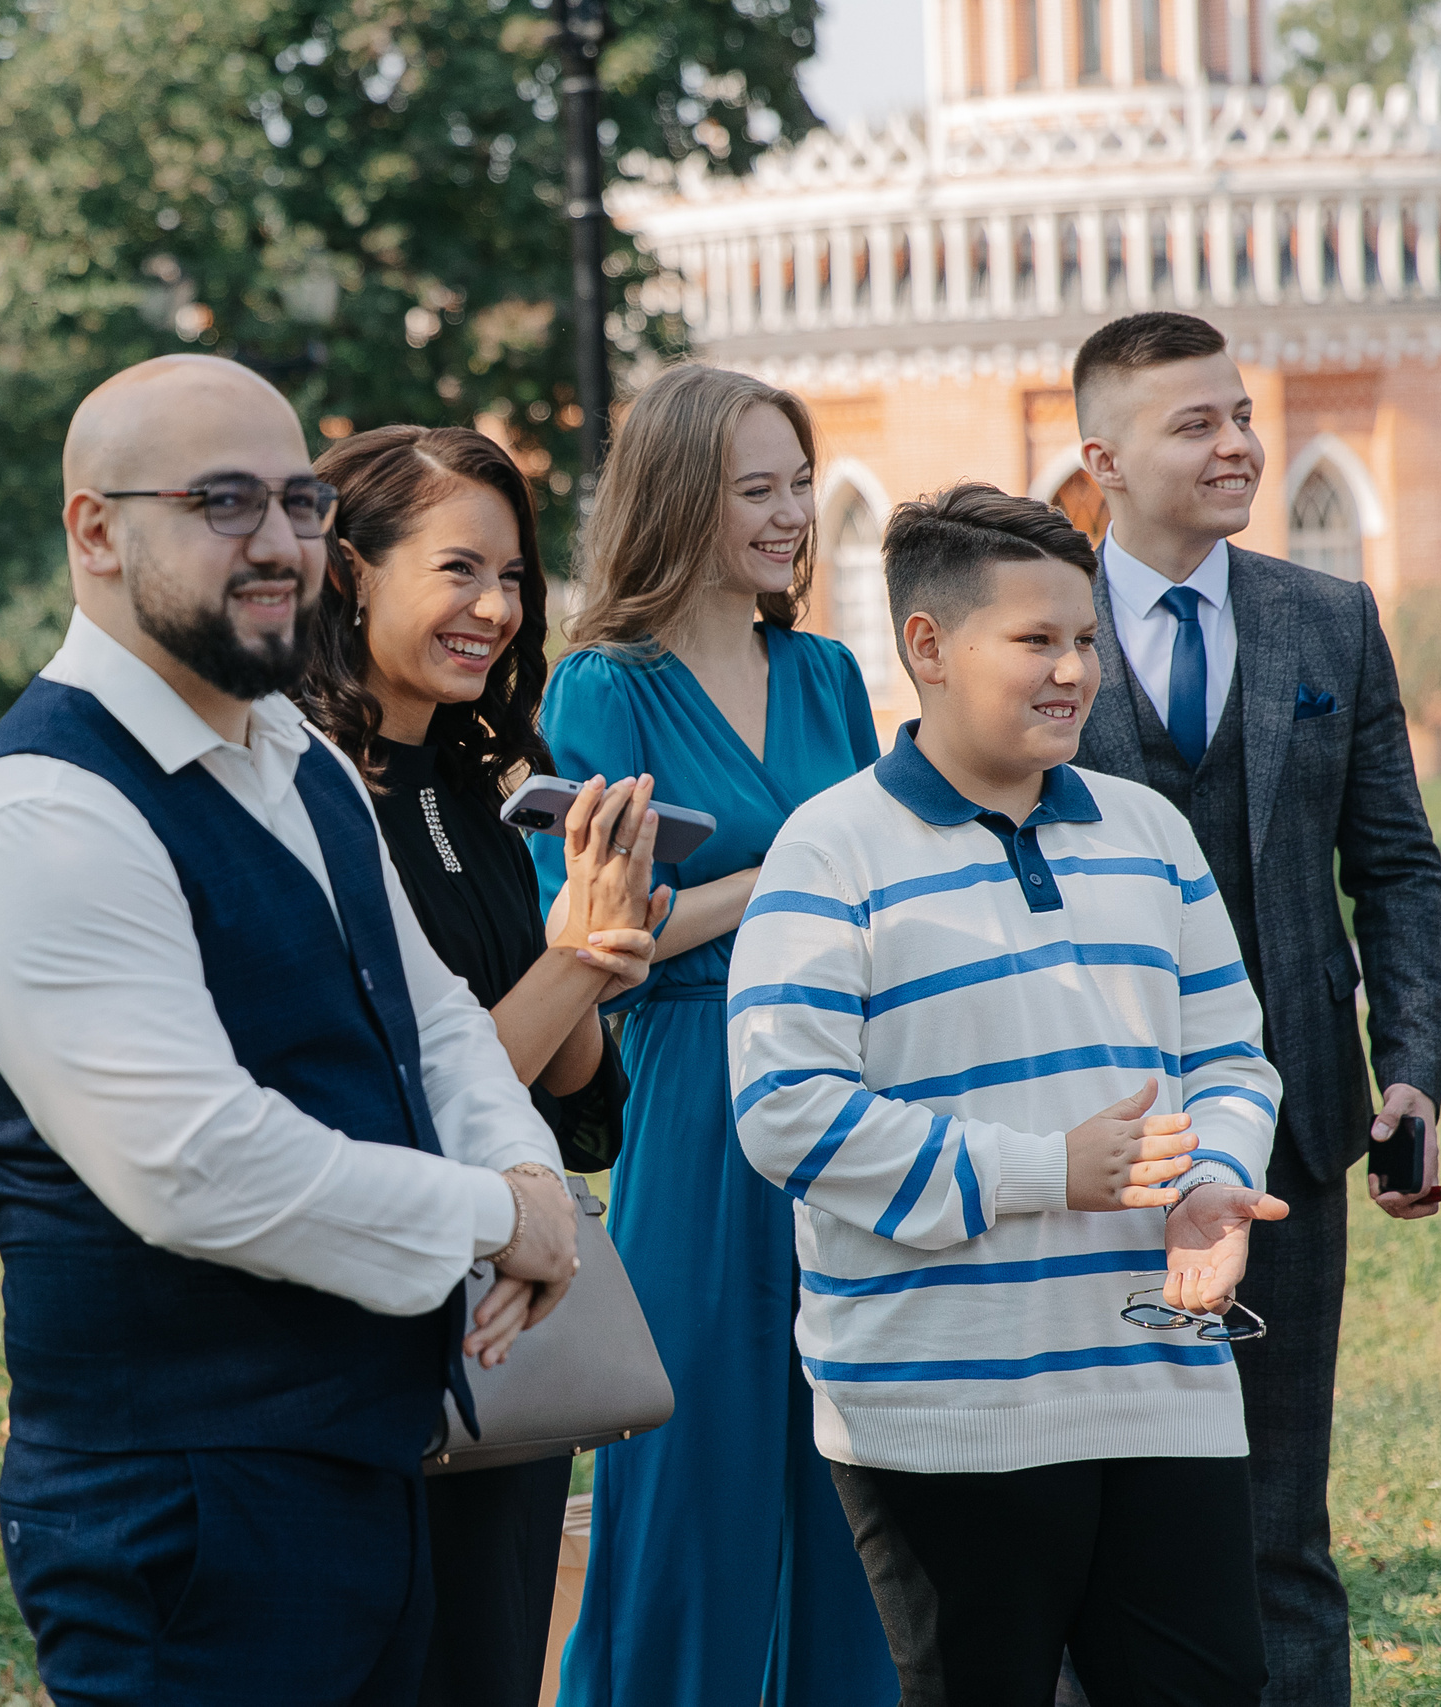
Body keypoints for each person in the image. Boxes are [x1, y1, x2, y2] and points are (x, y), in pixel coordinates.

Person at [0, 355, 582, 1704]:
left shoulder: (297, 752)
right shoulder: (43, 814)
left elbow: (429, 1010)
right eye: (223, 502)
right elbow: (200, 1165)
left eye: (299, 501)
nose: (280, 542)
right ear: (95, 530)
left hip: (376, 1465)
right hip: (184, 1514)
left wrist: (527, 1169)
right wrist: (496, 1215)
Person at [728, 482, 1288, 1705]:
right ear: (927, 646)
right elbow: (785, 1109)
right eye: (1034, 639)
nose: (1074, 671)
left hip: (1158, 1378)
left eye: (1084, 638)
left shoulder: (1148, 833)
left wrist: (1212, 1178)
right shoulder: (829, 849)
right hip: (942, 1404)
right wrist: (1042, 1172)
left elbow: (1229, 1053)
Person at [1072, 312, 1441, 1705]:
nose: (1239, 443)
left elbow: (1395, 864)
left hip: (1291, 1137)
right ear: (1105, 460)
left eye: (1240, 414)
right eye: (1197, 423)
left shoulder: (1327, 617)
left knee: (1278, 1525)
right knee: (1093, 1523)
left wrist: (1408, 1069)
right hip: (1090, 1146)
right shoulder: (1036, 623)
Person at [534, 364, 894, 1707]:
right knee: (690, 1469)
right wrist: (789, 870)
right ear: (683, 499)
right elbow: (596, 932)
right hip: (692, 1090)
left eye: (800, 482)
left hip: (843, 1076)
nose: (793, 513)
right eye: (758, 489)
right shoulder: (601, 686)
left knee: (847, 1461)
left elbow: (879, 882)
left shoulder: (826, 673)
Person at [294, 423, 666, 1707]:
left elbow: (574, 1097)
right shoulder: (306, 796)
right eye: (458, 569)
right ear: (348, 572)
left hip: (511, 1325)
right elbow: (405, 1098)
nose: (497, 610)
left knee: (498, 1660)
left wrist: (597, 942)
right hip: (377, 1323)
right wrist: (573, 958)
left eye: (511, 576)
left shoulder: (473, 783)